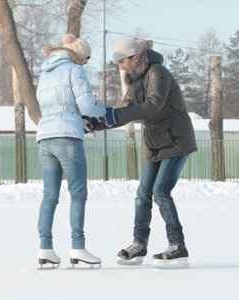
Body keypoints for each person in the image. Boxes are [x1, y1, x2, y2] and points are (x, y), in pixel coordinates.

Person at [96, 38, 197, 268]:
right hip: (155, 143)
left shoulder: (157, 71)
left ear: (134, 57)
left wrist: (117, 115)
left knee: (161, 191)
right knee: (143, 194)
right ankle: (139, 244)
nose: (121, 67)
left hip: (176, 139)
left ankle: (178, 246)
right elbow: (124, 110)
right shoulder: (133, 80)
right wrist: (95, 123)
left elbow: (154, 105)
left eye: (122, 61)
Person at [35, 34, 106, 269]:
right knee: (78, 194)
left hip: (45, 137)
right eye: (85, 60)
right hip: (67, 137)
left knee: (49, 196)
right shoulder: (74, 70)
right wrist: (102, 111)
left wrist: (75, 115)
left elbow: (53, 105)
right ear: (79, 55)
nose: (85, 64)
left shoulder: (45, 73)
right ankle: (78, 247)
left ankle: (45, 249)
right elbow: (87, 105)